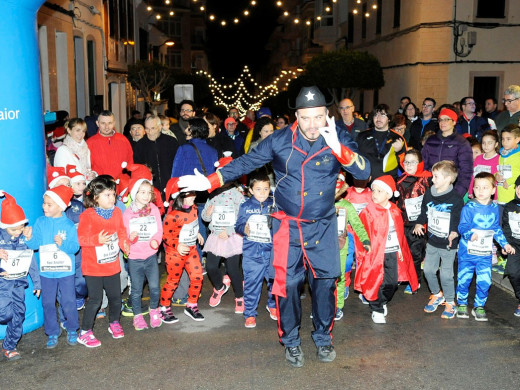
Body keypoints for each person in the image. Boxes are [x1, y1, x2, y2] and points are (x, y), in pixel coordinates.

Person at [177, 85, 370, 367]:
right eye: (306, 118)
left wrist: (338, 147)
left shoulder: (337, 136)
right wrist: (210, 181)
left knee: (325, 285)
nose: (313, 124)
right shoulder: (279, 140)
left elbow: (363, 171)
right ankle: (291, 342)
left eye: (319, 117)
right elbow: (245, 162)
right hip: (288, 226)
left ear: (326, 115)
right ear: (296, 117)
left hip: (323, 225)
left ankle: (323, 338)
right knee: (287, 286)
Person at [355, 175, 418, 323]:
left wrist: (401, 251)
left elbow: (400, 234)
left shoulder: (395, 211)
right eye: (373, 190)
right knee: (374, 280)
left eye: (379, 191)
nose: (374, 194)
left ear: (389, 194)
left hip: (392, 252)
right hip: (375, 254)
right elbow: (361, 233)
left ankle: (379, 300)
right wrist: (364, 250)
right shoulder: (368, 211)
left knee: (391, 282)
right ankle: (376, 308)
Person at [76, 176, 130, 348]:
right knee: (95, 300)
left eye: (113, 194)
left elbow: (121, 232)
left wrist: (125, 244)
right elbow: (81, 239)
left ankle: (114, 322)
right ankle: (85, 332)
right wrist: (96, 239)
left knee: (115, 298)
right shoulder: (87, 215)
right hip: (93, 267)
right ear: (95, 197)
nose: (112, 198)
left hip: (112, 264)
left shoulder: (117, 212)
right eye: (107, 195)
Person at [26, 185, 79, 348]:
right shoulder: (40, 222)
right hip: (47, 273)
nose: (44, 207)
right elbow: (34, 245)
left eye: (49, 204)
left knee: (69, 301)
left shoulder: (68, 225)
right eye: (44, 203)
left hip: (65, 272)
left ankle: (72, 328)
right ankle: (52, 332)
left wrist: (63, 244)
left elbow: (75, 248)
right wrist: (28, 238)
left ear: (61, 206)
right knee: (48, 303)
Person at [456, 172, 515, 321]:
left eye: (485, 187)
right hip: (467, 253)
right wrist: (469, 234)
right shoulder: (468, 208)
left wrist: (505, 243)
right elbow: (462, 226)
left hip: (484, 254)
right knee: (464, 279)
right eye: (477, 187)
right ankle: (462, 303)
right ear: (473, 189)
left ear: (493, 190)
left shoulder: (494, 208)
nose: (480, 191)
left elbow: (496, 228)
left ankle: (479, 306)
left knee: (485, 281)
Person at [413, 161, 464, 319]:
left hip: (449, 243)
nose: (432, 179)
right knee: (428, 270)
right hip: (433, 240)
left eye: (436, 176)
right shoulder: (429, 193)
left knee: (446, 275)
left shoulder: (456, 199)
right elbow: (424, 212)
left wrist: (454, 232)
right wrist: (419, 223)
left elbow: (457, 220)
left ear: (448, 179)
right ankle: (437, 294)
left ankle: (450, 302)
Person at [201, 157, 245, 314]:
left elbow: (243, 217)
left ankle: (240, 297)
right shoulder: (212, 194)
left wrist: (230, 231)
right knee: (211, 266)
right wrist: (207, 214)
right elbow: (205, 217)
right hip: (216, 236)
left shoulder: (237, 194)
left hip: (232, 237)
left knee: (233, 269)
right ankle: (219, 287)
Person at [0, 192, 41, 361]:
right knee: (4, 314)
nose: (17, 232)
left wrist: (37, 283)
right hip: (3, 285)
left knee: (19, 315)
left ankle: (9, 346)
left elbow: (31, 261)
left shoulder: (24, 239)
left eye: (20, 228)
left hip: (18, 285)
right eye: (13, 229)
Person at [159, 178, 205, 323]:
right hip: (175, 254)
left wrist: (197, 234)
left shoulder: (195, 209)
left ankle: (191, 305)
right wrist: (176, 244)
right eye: (188, 194)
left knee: (198, 277)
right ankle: (164, 307)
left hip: (191, 250)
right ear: (180, 196)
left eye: (194, 193)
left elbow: (192, 224)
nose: (193, 197)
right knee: (173, 281)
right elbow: (165, 235)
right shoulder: (172, 215)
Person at [235, 172, 276, 328]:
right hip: (252, 254)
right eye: (258, 189)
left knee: (274, 282)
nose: (262, 193)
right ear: (251, 190)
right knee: (252, 284)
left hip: (271, 252)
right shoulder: (245, 206)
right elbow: (238, 226)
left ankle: (272, 305)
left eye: (266, 189)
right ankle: (250, 313)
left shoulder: (273, 205)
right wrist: (243, 229)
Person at [123, 173, 163, 330]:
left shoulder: (153, 209)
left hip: (150, 255)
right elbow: (125, 235)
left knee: (154, 287)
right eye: (142, 192)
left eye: (149, 192)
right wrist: (131, 238)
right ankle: (137, 316)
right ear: (134, 193)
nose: (146, 196)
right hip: (135, 258)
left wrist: (156, 241)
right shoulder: (128, 213)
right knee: (136, 289)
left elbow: (159, 229)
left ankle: (154, 310)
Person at [395, 149, 432, 293]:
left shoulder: (427, 179)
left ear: (420, 163)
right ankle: (403, 276)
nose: (409, 165)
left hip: (419, 225)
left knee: (415, 254)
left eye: (413, 162)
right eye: (406, 162)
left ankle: (415, 281)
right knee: (402, 252)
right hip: (402, 223)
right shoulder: (399, 180)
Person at [335, 189, 370, 320]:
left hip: (341, 245)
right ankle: (321, 306)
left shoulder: (347, 206)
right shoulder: (322, 202)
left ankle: (338, 306)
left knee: (340, 275)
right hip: (323, 246)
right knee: (321, 279)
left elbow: (357, 224)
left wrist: (365, 239)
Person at [422, 108, 473, 197]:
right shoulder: (431, 140)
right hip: (430, 186)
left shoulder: (462, 143)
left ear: (454, 122)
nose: (443, 122)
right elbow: (423, 165)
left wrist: (456, 194)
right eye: (441, 119)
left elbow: (466, 171)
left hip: (452, 189)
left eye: (447, 119)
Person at [356, 104, 405, 180]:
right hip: (366, 182)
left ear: (389, 119)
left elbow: (405, 164)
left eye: (382, 115)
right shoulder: (362, 136)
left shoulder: (397, 138)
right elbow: (354, 159)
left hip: (388, 184)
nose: (378, 118)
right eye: (375, 115)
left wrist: (398, 151)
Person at [133, 115, 179, 195]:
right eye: (147, 128)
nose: (149, 131)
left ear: (160, 127)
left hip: (170, 186)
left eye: (153, 128)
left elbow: (178, 164)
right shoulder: (140, 145)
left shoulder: (171, 142)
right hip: (150, 189)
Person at [86, 110, 134, 179]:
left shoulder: (123, 140)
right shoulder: (90, 143)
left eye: (109, 123)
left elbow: (130, 163)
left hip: (122, 185)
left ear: (114, 123)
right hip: (101, 185)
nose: (106, 127)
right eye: (103, 123)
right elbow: (87, 167)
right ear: (97, 123)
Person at [502, 176, 520, 316]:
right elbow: (506, 228)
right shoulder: (510, 206)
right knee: (513, 273)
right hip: (515, 245)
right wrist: (505, 244)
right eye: (518, 186)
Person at [468, 130, 499, 199]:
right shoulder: (478, 158)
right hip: (477, 193)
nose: (486, 146)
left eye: (490, 143)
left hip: (491, 197)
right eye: (483, 143)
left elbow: (496, 182)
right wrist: (470, 191)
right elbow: (473, 176)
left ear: (496, 144)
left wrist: (495, 197)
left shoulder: (499, 159)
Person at [496, 124, 520, 207]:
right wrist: (496, 176)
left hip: (513, 194)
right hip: (501, 193)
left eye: (508, 139)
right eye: (503, 139)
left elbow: (518, 172)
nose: (504, 142)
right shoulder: (502, 154)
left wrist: (509, 181)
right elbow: (498, 170)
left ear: (517, 139)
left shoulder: (518, 155)